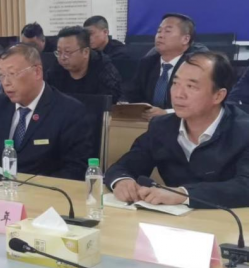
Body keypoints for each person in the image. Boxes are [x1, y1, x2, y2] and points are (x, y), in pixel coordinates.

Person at [105, 52, 249, 208]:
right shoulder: (162, 127)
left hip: (229, 220)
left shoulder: (243, 130)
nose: (178, 94)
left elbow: (245, 186)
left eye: (191, 86)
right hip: (173, 220)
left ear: (218, 96)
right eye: (175, 83)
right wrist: (122, 180)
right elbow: (124, 166)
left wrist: (183, 194)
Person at [0, 43, 93, 180]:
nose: (5, 82)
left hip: (46, 192)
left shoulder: (69, 111)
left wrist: (32, 186)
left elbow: (76, 169)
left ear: (37, 72)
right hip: (3, 190)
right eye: (1, 75)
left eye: (12, 74)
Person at [124, 13, 205, 119]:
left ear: (185, 39)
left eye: (167, 31)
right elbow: (133, 95)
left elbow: (201, 103)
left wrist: (166, 113)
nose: (160, 35)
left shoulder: (195, 66)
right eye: (159, 31)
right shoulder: (148, 63)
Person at [46, 26, 122, 102]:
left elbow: (109, 102)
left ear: (85, 52)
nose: (62, 57)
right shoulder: (56, 69)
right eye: (59, 52)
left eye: (67, 52)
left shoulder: (103, 70)